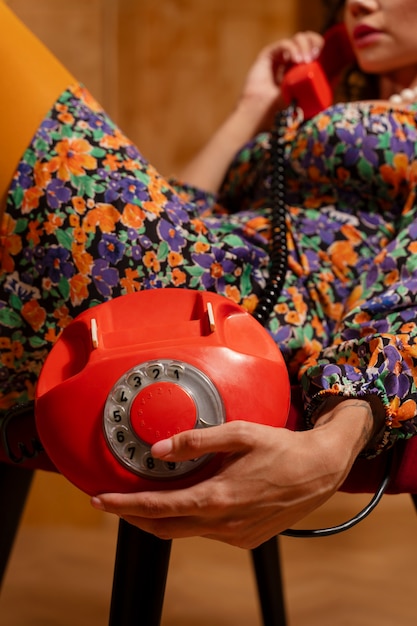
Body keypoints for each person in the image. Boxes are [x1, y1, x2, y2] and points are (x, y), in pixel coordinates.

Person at [1, 0, 417, 548]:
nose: (360, 1)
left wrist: (338, 436)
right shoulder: (315, 113)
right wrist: (253, 107)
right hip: (196, 267)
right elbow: (183, 207)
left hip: (246, 321)